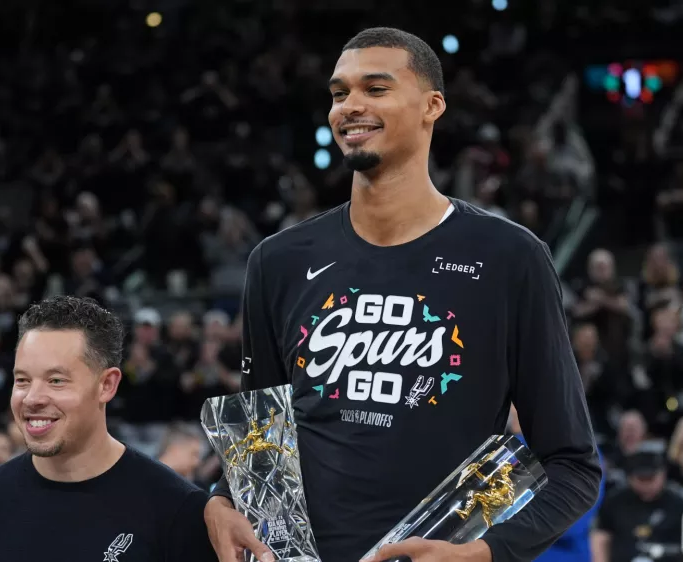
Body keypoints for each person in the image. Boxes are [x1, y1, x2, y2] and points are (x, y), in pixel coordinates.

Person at [204, 27, 601, 562]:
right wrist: (222, 500)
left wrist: (482, 553)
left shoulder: (509, 257)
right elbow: (258, 449)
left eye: (376, 88)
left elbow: (572, 466)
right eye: (340, 93)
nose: (351, 106)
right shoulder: (278, 262)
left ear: (432, 106)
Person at [0, 296, 218, 562]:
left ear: (107, 385)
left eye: (56, 380)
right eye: (22, 380)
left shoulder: (177, 509)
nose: (32, 398)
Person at [591, 449, 683, 562]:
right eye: (641, 479)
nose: (646, 485)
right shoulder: (615, 501)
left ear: (663, 475)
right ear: (630, 478)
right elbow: (600, 538)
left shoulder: (677, 503)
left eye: (651, 478)